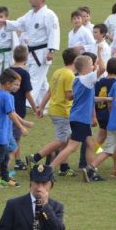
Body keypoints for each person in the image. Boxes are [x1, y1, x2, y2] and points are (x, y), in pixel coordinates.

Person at [0, 0, 60, 107]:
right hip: (30, 51)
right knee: (41, 80)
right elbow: (19, 23)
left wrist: (51, 51)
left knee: (34, 78)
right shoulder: (30, 14)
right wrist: (5, 22)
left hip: (42, 52)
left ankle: (26, 104)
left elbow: (53, 33)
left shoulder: (49, 15)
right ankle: (46, 104)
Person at [49, 51, 106, 172]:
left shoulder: (77, 79)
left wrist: (107, 99)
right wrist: (100, 51)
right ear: (85, 67)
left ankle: (90, 171)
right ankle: (50, 168)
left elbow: (88, 98)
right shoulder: (87, 78)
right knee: (72, 147)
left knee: (90, 144)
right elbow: (103, 68)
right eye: (92, 64)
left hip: (77, 117)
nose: (93, 66)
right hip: (81, 119)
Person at [27, 48, 79, 177]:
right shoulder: (70, 75)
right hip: (62, 111)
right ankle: (35, 158)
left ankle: (64, 167)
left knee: (67, 139)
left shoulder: (58, 72)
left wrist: (41, 107)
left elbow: (50, 91)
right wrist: (81, 93)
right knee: (61, 140)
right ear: (76, 60)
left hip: (55, 109)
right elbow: (68, 95)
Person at [0, 164, 65, 230]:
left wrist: (46, 206)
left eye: (44, 183)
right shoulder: (13, 205)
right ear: (31, 183)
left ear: (51, 186)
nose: (40, 187)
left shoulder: (56, 206)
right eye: (37, 182)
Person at [10, 46, 36, 170]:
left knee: (9, 133)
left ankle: (16, 159)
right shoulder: (24, 73)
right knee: (16, 136)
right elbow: (27, 93)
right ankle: (17, 160)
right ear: (26, 58)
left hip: (7, 107)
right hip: (18, 108)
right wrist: (35, 107)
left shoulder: (8, 70)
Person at [93, 57, 116, 163]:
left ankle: (92, 153)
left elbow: (94, 97)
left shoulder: (99, 82)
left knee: (101, 136)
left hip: (99, 113)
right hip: (110, 115)